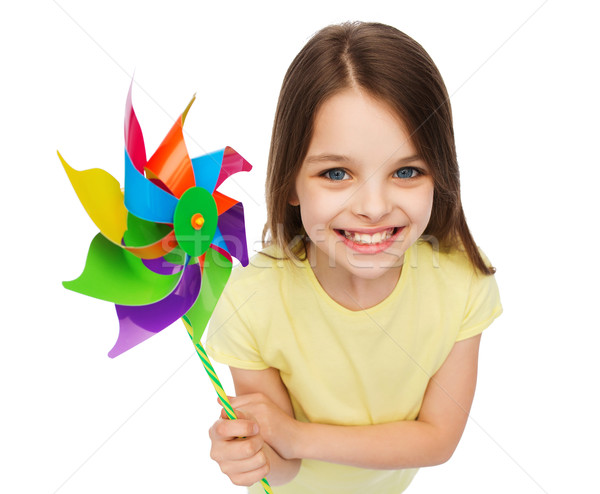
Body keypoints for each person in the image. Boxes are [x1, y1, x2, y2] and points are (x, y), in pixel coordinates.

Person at [205, 21, 502, 493]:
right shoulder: (252, 300)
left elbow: (438, 439)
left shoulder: (462, 282)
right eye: (337, 172)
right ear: (291, 184)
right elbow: (285, 468)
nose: (373, 207)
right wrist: (253, 455)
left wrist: (296, 435)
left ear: (440, 174)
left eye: (407, 170)